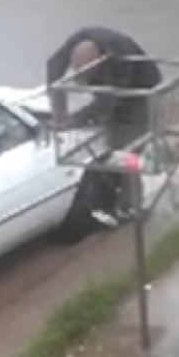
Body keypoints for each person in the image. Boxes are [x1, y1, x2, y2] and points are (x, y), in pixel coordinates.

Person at [46, 26, 163, 228]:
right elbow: (53, 66)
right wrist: (59, 111)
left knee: (128, 154)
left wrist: (75, 119)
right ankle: (115, 199)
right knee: (114, 149)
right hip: (111, 87)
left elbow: (109, 102)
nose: (84, 83)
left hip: (139, 93)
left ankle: (132, 207)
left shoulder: (121, 59)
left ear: (101, 61)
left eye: (88, 78)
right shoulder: (77, 41)